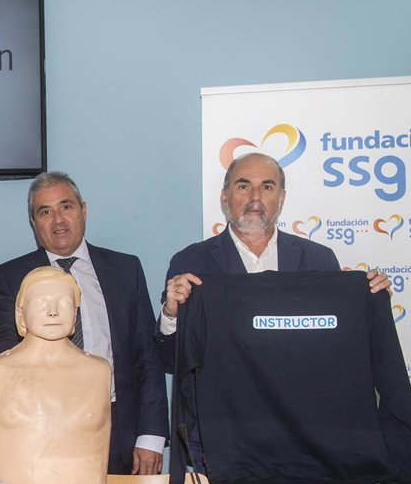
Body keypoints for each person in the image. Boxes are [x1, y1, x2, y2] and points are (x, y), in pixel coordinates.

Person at [0, 171, 167, 476]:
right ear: (34, 223)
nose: (58, 219)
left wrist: (151, 436)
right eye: (45, 212)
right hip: (41, 428)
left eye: (66, 206)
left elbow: (147, 356)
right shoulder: (11, 277)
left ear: (83, 210)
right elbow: (5, 351)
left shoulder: (125, 269)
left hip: (118, 428)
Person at [156, 151, 392, 368]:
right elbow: (169, 360)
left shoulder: (319, 260)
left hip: (301, 398)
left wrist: (369, 305)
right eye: (243, 186)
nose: (255, 197)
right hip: (224, 400)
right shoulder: (191, 263)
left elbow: (340, 342)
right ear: (225, 197)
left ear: (281, 198)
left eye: (267, 187)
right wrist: (171, 314)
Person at [0, 267, 111, 484]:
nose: (53, 312)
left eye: (64, 303)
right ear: (21, 314)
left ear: (76, 312)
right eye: (41, 303)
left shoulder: (98, 371)